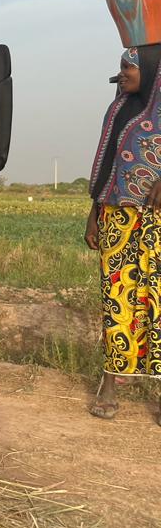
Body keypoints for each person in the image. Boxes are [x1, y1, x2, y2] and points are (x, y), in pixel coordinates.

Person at [85, 45, 161, 425]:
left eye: (127, 67)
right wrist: (93, 214)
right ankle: (110, 383)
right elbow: (106, 164)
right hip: (116, 214)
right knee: (116, 298)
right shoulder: (118, 109)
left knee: (158, 303)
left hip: (158, 221)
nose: (122, 74)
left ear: (149, 69)